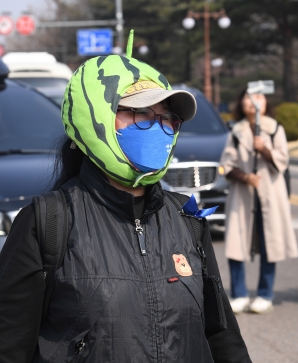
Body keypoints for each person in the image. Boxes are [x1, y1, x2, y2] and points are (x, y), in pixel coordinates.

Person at [0, 31, 252, 363]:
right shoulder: (47, 223)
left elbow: (221, 338)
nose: (158, 126)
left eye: (167, 117)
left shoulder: (187, 219)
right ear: (95, 117)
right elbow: (10, 346)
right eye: (140, 113)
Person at [220, 88, 298, 315]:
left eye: (259, 96)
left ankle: (265, 294)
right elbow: (226, 165)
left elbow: (281, 162)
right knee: (236, 244)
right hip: (242, 195)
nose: (253, 100)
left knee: (269, 245)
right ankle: (239, 293)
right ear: (241, 102)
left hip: (269, 194)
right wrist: (244, 177)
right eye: (247, 96)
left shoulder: (275, 129)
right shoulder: (235, 131)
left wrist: (263, 148)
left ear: (266, 102)